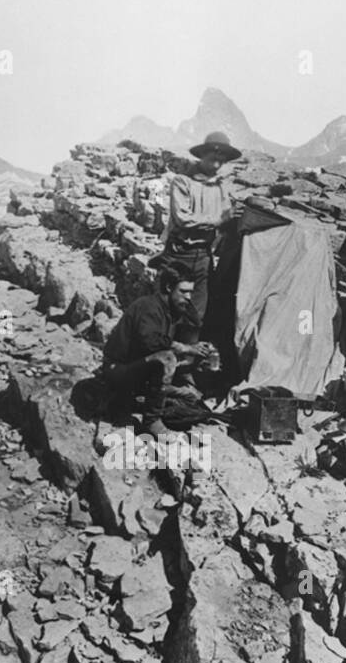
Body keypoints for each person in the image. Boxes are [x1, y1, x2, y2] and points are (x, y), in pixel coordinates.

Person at [100, 266, 216, 436]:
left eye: (191, 292)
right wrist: (187, 348)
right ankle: (152, 420)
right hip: (118, 371)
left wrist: (199, 354)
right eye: (183, 291)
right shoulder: (149, 307)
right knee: (167, 358)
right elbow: (151, 343)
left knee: (190, 398)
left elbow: (193, 323)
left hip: (138, 371)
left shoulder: (170, 309)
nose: (189, 297)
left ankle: (138, 402)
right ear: (169, 288)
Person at [162, 131, 242, 375]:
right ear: (202, 156)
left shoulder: (220, 187)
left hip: (204, 256)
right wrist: (218, 220)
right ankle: (161, 364)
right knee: (171, 310)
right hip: (180, 254)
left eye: (221, 161)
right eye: (212, 158)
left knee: (196, 314)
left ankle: (186, 369)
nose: (216, 164)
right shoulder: (183, 182)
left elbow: (227, 217)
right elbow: (183, 219)